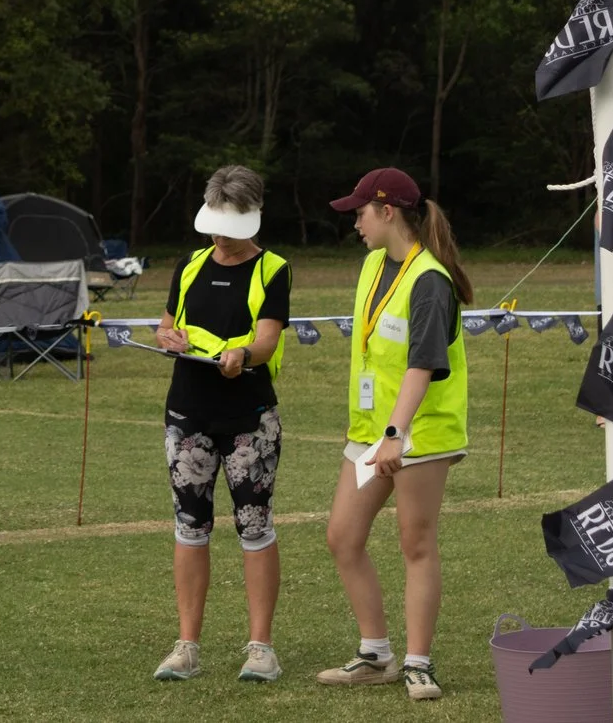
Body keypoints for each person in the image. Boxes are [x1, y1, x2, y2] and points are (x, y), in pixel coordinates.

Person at [319, 167, 470, 702]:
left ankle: (418, 664)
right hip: (373, 431)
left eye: (360, 212)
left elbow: (422, 365)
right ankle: (375, 654)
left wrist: (395, 433)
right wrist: (378, 433)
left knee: (416, 543)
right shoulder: (370, 265)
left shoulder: (430, 280)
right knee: (343, 535)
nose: (355, 222)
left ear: (387, 212)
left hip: (419, 433)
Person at [151, 165, 291, 685]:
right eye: (215, 226)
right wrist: (168, 338)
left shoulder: (274, 269)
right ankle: (186, 646)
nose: (220, 239)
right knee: (190, 526)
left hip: (250, 419)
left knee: (254, 527)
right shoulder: (189, 265)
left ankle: (261, 649)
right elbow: (168, 325)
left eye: (230, 229)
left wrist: (243, 354)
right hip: (188, 416)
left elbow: (268, 341)